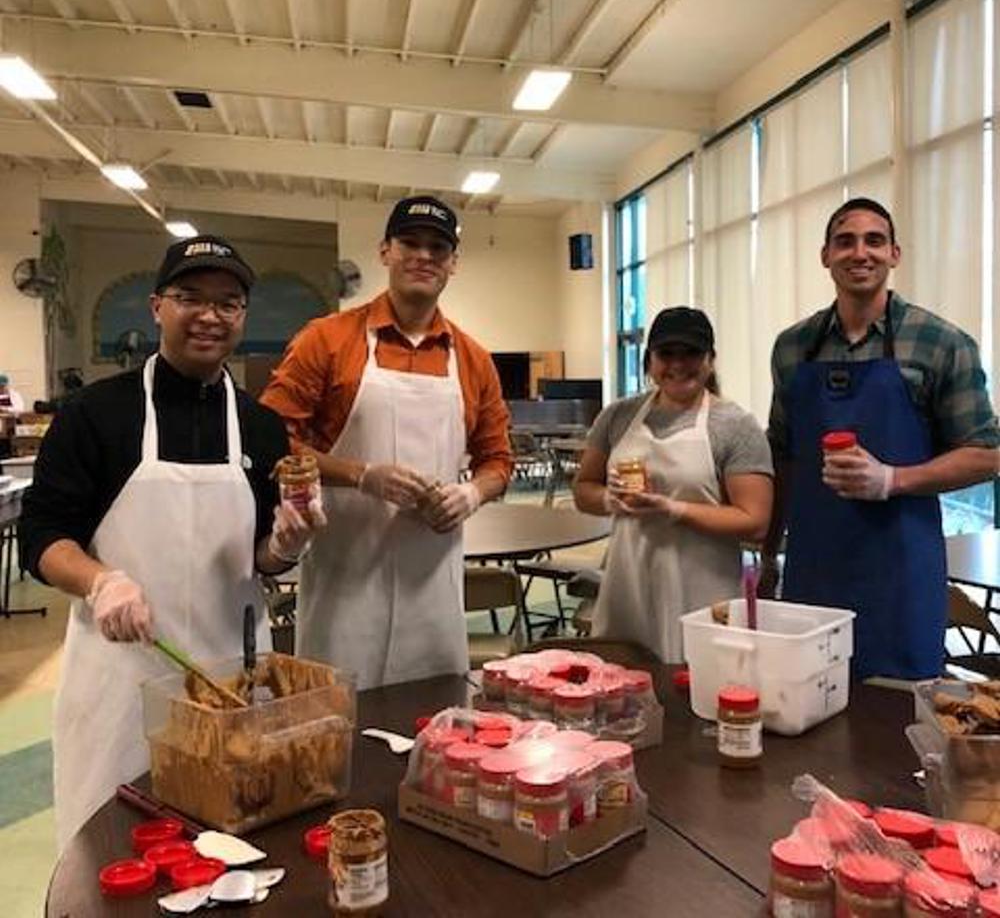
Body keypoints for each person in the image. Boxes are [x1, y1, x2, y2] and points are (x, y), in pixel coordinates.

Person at [19, 234, 326, 848]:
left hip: (228, 684)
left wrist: (287, 546)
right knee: (112, 853)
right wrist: (101, 581)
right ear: (158, 306)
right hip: (121, 683)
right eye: (191, 297)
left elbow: (262, 556)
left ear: (242, 317)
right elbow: (43, 534)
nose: (210, 315)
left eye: (229, 303)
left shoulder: (261, 427)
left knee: (228, 848)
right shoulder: (96, 414)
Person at [261, 195, 513, 689]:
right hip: (345, 578)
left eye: (437, 248)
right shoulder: (328, 340)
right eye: (410, 243)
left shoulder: (474, 360)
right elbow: (269, 439)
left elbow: (498, 459)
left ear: (453, 264)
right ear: (385, 252)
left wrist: (471, 494)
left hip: (433, 584)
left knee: (435, 723)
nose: (423, 256)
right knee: (339, 725)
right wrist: (361, 475)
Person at [762, 197, 1000, 679]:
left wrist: (892, 478)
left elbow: (986, 455)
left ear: (895, 254)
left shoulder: (940, 343)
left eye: (874, 240)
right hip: (813, 569)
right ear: (825, 255)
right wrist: (768, 555)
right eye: (845, 241)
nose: (860, 252)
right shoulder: (792, 348)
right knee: (808, 699)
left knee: (896, 719)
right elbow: (783, 456)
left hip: (901, 569)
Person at [573, 307, 773, 662]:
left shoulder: (735, 426)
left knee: (699, 689)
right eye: (666, 354)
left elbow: (755, 521)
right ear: (649, 361)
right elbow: (583, 490)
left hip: (703, 591)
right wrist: (610, 500)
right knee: (625, 691)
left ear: (710, 360)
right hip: (628, 587)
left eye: (691, 353)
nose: (678, 365)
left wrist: (673, 509)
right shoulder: (617, 417)